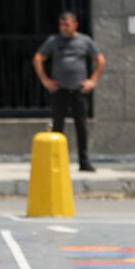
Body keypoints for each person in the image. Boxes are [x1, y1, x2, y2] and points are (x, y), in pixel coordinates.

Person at [33, 11, 106, 172]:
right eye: (61, 25)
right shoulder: (53, 41)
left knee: (82, 127)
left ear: (75, 25)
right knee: (57, 128)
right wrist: (45, 80)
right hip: (60, 91)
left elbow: (100, 60)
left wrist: (92, 81)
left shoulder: (85, 41)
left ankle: (84, 162)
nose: (64, 28)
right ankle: (56, 163)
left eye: (67, 24)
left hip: (79, 90)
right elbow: (38, 58)